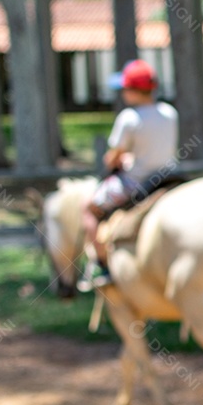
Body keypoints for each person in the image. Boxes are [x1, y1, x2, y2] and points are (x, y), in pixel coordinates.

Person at [78, 59, 178, 291]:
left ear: (133, 91)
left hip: (137, 181)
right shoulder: (170, 112)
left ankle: (100, 264)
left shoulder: (129, 118)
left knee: (88, 208)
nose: (123, 93)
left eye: (125, 89)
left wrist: (115, 160)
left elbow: (114, 157)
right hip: (169, 177)